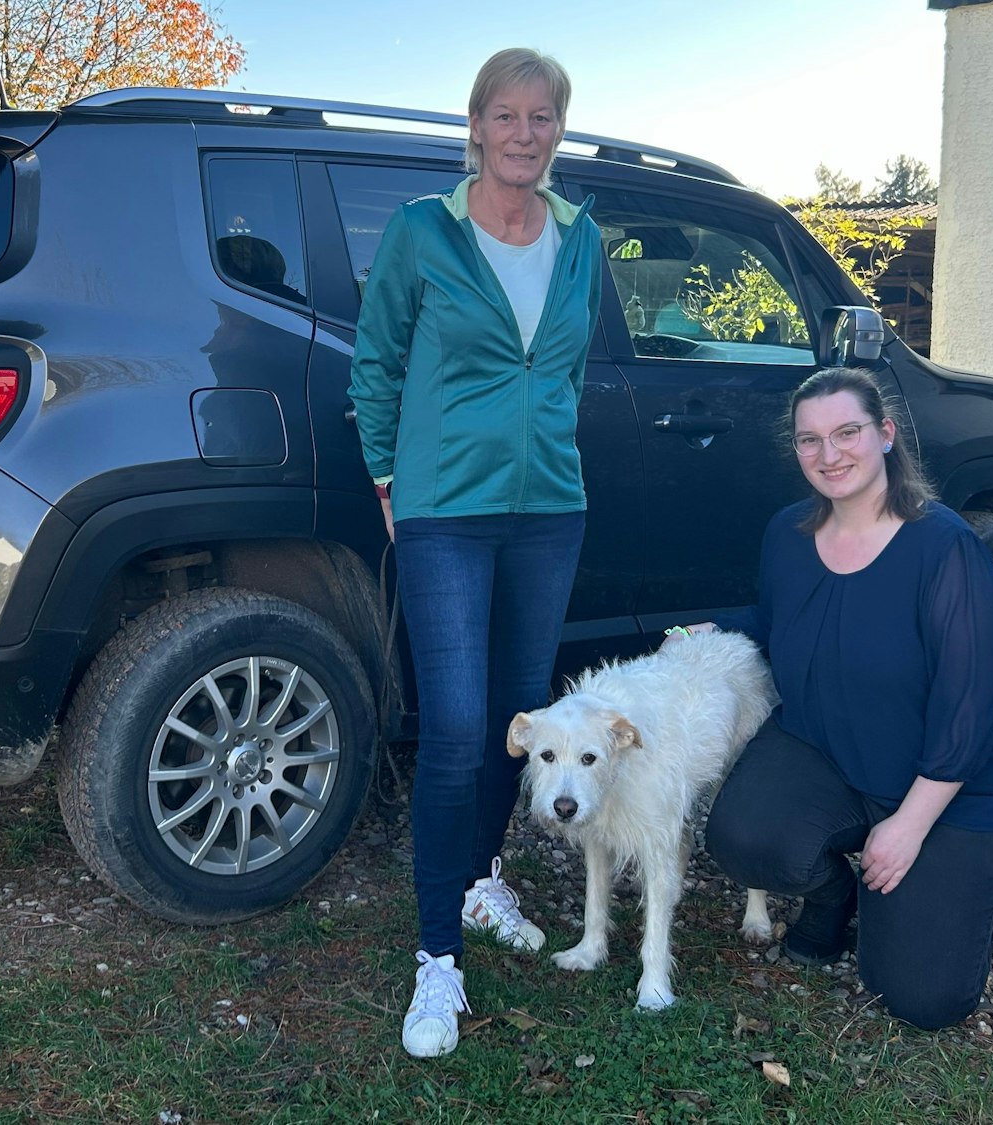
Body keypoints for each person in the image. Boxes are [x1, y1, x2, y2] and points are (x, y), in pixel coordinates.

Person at [347, 47, 603, 1058]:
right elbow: (374, 366)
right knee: (455, 729)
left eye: (542, 117)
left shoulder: (580, 237)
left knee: (517, 717)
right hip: (443, 510)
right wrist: (386, 481)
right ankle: (435, 961)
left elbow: (566, 367)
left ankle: (481, 875)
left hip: (548, 510)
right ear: (475, 126)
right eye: (506, 115)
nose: (524, 134)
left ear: (557, 129)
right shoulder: (422, 232)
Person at [671, 366, 993, 1030]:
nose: (829, 455)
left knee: (919, 996)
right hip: (827, 751)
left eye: (847, 432)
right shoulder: (788, 534)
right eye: (810, 440)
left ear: (885, 434)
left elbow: (969, 709)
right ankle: (834, 896)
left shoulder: (945, 548)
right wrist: (709, 630)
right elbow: (776, 623)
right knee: (742, 836)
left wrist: (909, 825)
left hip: (946, 789)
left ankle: (969, 894)